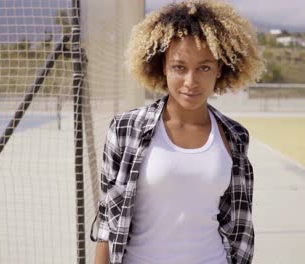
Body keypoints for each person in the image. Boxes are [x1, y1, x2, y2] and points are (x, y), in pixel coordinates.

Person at [90, 1, 264, 263]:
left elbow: (238, 223)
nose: (191, 82)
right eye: (179, 67)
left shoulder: (235, 136)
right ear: (162, 66)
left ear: (220, 69)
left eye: (204, 68)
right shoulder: (126, 129)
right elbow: (107, 220)